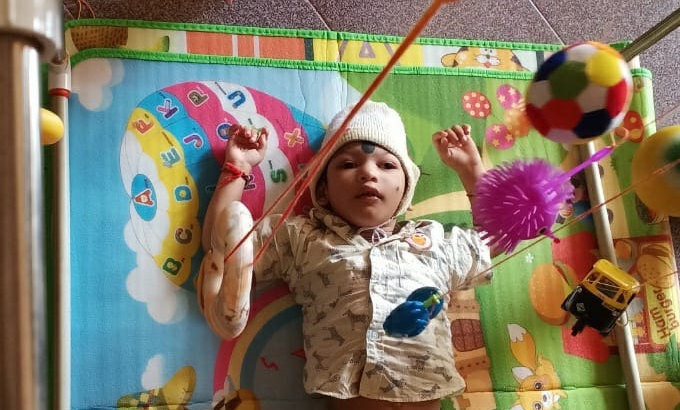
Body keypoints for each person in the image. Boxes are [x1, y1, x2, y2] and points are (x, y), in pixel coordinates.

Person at [199, 101, 494, 410]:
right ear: (323, 190)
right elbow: (222, 246)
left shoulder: (431, 241)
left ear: (405, 188)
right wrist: (237, 168)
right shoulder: (304, 238)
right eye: (348, 165)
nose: (368, 173)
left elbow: (492, 241)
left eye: (387, 165)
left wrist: (471, 171)